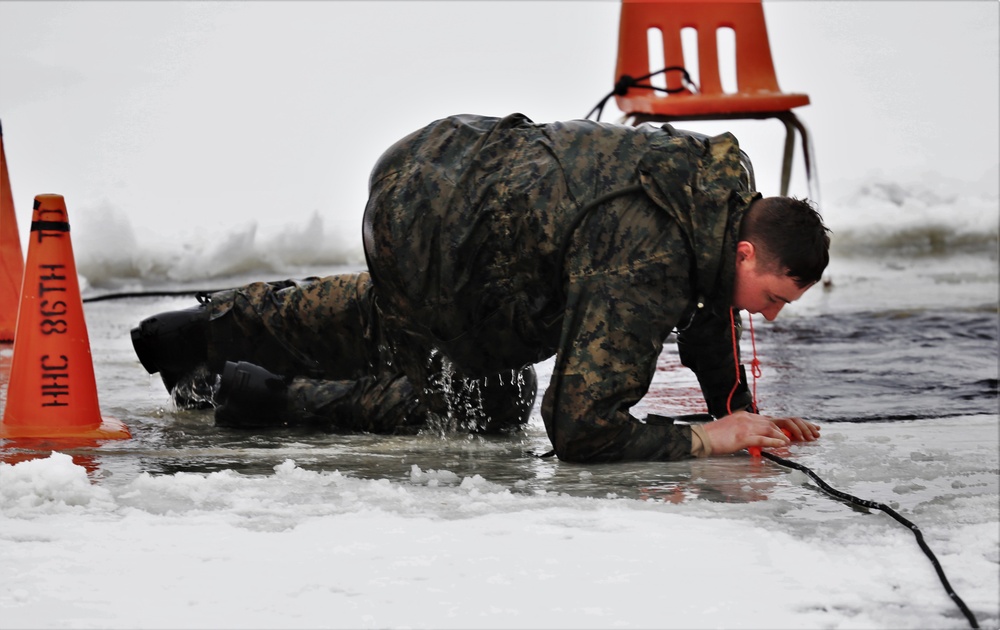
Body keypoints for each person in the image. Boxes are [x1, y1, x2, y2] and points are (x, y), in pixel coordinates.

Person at [131, 113, 829, 462]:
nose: (766, 316)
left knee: (385, 320)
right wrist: (707, 441)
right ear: (745, 253)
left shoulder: (715, 192)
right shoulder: (647, 256)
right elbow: (582, 426)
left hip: (446, 157)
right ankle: (266, 395)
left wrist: (746, 419)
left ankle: (200, 331)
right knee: (491, 399)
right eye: (772, 297)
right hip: (435, 223)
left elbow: (711, 317)